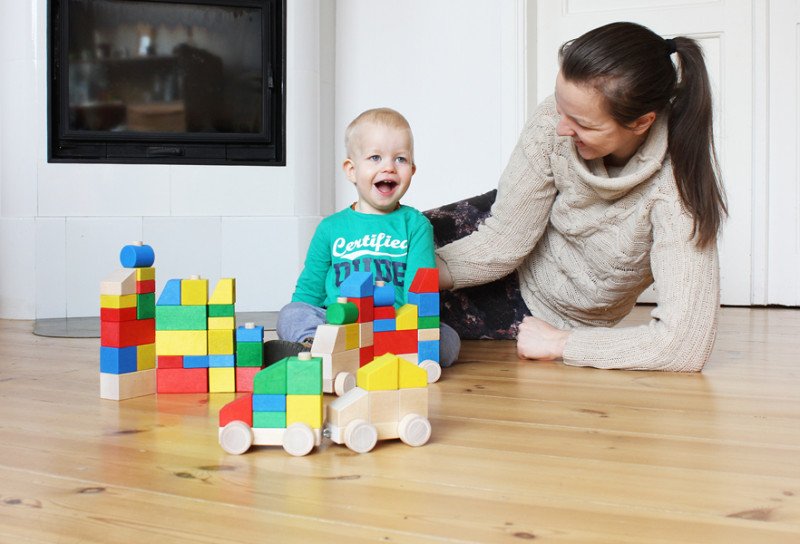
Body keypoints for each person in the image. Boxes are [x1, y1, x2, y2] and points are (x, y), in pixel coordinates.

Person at [426, 22, 726, 371]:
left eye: (583, 124)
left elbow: (684, 346)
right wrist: (423, 269)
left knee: (408, 326)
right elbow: (505, 236)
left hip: (546, 307)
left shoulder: (676, 193)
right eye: (560, 108)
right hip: (509, 231)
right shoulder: (560, 118)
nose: (560, 128)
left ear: (641, 122)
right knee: (387, 243)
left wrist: (560, 343)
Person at [269, 107, 461, 366]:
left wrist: (404, 328)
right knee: (291, 313)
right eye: (375, 157)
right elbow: (309, 291)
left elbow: (419, 291)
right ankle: (313, 348)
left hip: (394, 326)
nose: (389, 167)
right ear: (351, 170)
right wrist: (304, 318)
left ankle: (369, 356)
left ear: (412, 171)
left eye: (400, 159)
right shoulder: (330, 228)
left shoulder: (416, 225)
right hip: (339, 325)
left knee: (448, 340)